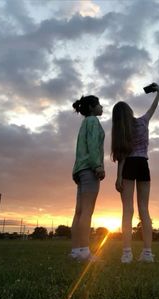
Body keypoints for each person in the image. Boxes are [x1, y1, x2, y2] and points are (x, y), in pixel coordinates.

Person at [111, 83, 159, 263]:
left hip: (129, 166)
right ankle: (147, 253)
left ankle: (126, 253)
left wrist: (118, 176)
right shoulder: (143, 121)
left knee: (127, 211)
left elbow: (122, 156)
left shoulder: (122, 131)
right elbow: (152, 108)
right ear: (130, 111)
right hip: (143, 165)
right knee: (144, 210)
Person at [70, 95, 105, 261]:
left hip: (80, 170)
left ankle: (75, 251)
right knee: (87, 211)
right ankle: (84, 252)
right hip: (89, 169)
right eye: (99, 104)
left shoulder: (84, 123)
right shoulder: (92, 121)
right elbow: (92, 145)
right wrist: (97, 165)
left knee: (79, 212)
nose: (102, 107)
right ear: (92, 107)